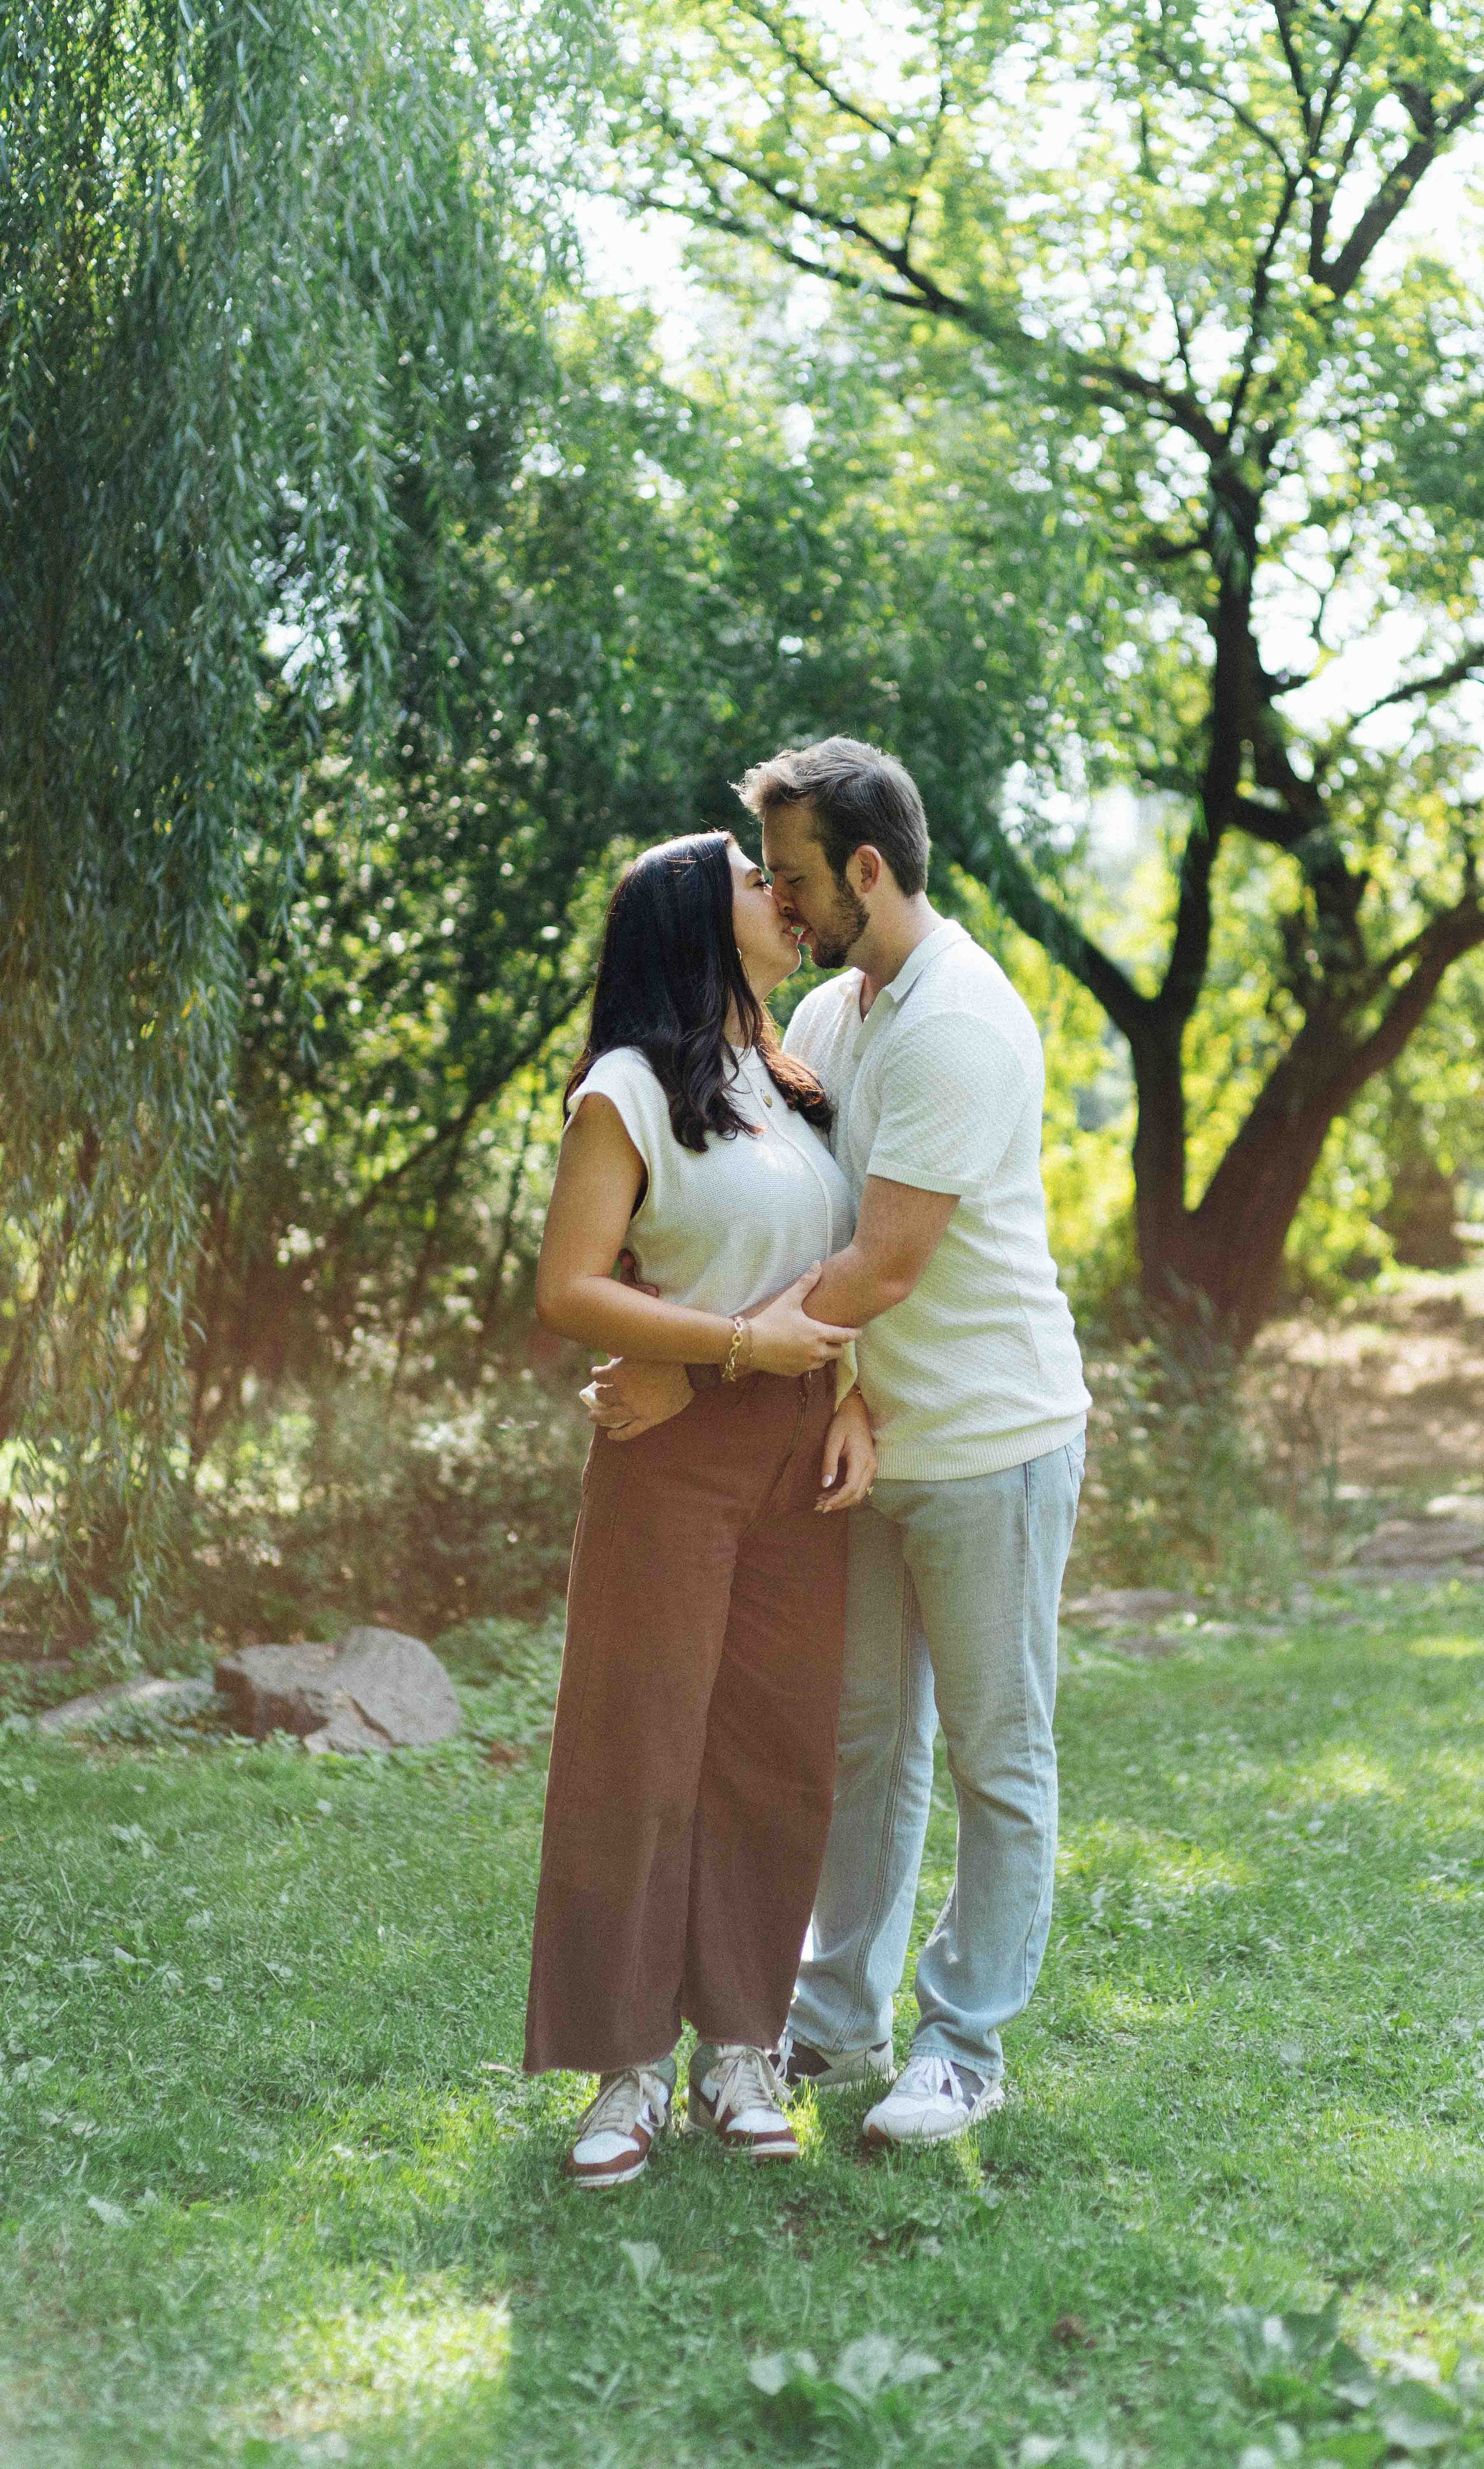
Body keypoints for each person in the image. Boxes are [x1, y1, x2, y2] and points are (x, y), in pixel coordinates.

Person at [586, 738, 1092, 2149]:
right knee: (861, 1744)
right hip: (864, 1443)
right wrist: (830, 1391)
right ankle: (833, 2021)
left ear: (867, 869)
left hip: (991, 1443)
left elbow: (873, 1268)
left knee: (996, 1754)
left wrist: (701, 1372)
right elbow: (792, 1222)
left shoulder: (956, 1026)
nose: (784, 904)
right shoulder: (839, 1014)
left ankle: (964, 2044)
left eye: (799, 877)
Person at [526, 829, 877, 2189]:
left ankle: (741, 2042)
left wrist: (846, 1394)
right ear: (690, 914)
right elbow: (569, 1290)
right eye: (755, 879)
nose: (784, 899)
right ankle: (623, 2072)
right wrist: (719, 1354)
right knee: (642, 1749)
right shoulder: (626, 1086)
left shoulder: (794, 1082)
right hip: (674, 1456)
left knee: (773, 1753)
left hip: (802, 1456)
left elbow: (844, 1270)